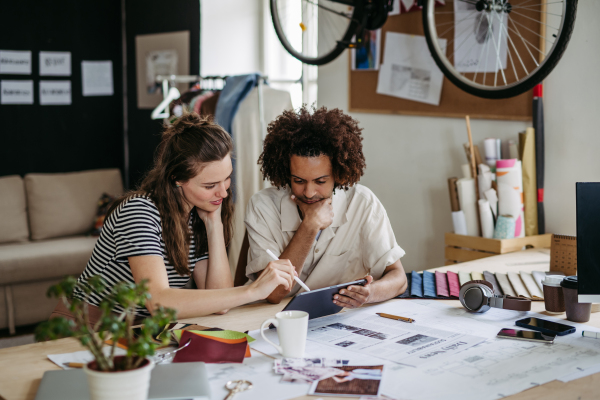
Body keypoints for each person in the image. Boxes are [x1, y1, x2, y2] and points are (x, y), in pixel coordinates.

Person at [65, 113, 296, 321]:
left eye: (227, 178)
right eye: (210, 185)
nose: (224, 192)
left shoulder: (198, 212)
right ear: (177, 178)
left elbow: (218, 303)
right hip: (90, 325)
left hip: (140, 329)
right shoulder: (139, 211)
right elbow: (158, 302)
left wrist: (213, 223)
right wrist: (253, 290)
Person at [244, 106, 407, 308]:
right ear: (286, 173)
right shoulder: (263, 206)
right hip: (274, 319)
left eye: (320, 181)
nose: (309, 192)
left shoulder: (362, 202)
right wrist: (309, 226)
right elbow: (274, 293)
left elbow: (398, 278)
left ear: (338, 174)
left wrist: (370, 293)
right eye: (298, 180)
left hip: (338, 321)